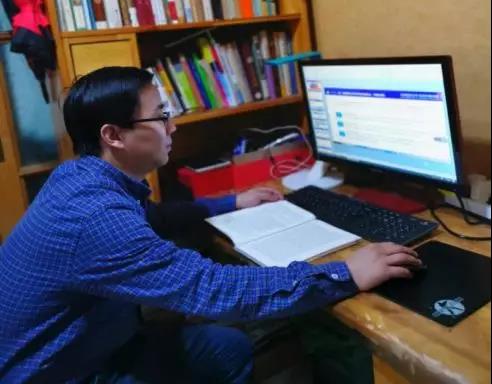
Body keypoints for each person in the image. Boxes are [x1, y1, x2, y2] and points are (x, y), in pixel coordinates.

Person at [0, 67, 422, 383]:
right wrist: (345, 272)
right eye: (160, 117)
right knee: (227, 343)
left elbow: (153, 217)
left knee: (227, 343)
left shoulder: (79, 178)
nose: (173, 126)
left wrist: (230, 201)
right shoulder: (96, 218)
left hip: (87, 344)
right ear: (113, 135)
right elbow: (212, 289)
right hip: (65, 372)